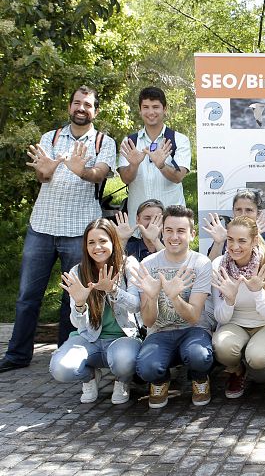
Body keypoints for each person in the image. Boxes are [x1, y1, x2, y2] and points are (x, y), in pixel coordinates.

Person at [1, 85, 117, 373]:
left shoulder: (104, 142)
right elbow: (42, 175)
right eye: (77, 103)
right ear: (69, 107)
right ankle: (17, 355)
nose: (81, 108)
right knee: (28, 295)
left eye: (87, 105)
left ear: (95, 111)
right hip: (42, 227)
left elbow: (99, 174)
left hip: (80, 231)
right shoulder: (49, 137)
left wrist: (81, 170)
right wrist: (48, 168)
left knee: (73, 295)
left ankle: (68, 353)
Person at [49, 219, 142, 404]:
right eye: (91, 242)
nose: (97, 247)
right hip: (88, 338)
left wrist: (113, 290)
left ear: (113, 242)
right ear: (85, 246)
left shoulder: (129, 265)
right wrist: (80, 304)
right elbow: (77, 323)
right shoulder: (78, 271)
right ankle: (90, 377)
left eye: (103, 241)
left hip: (123, 337)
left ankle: (122, 380)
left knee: (124, 362)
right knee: (60, 369)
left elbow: (136, 305)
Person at [130, 205, 215, 408]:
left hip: (193, 330)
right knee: (147, 368)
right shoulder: (149, 264)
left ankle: (199, 378)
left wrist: (174, 297)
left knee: (199, 356)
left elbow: (194, 317)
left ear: (192, 234)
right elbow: (149, 321)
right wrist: (151, 297)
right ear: (162, 231)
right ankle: (160, 381)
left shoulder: (201, 263)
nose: (174, 236)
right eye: (169, 230)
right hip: (159, 331)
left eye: (181, 231)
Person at [211, 216, 265, 399]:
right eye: (230, 239)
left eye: (242, 241)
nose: (234, 247)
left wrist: (257, 292)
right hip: (234, 323)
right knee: (221, 346)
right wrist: (229, 300)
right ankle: (236, 371)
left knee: (258, 357)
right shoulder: (219, 266)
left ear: (254, 240)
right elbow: (220, 318)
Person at [118, 87, 191, 229]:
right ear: (140, 110)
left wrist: (162, 166)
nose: (151, 112)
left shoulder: (179, 140)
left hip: (171, 223)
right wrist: (133, 165)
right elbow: (125, 179)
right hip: (138, 225)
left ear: (165, 109)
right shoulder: (130, 142)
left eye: (156, 107)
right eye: (145, 107)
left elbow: (178, 177)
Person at [204, 189, 265, 262]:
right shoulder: (225, 237)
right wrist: (218, 243)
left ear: (258, 213)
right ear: (233, 211)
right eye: (238, 210)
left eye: (249, 210)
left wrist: (256, 238)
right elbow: (210, 270)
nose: (243, 215)